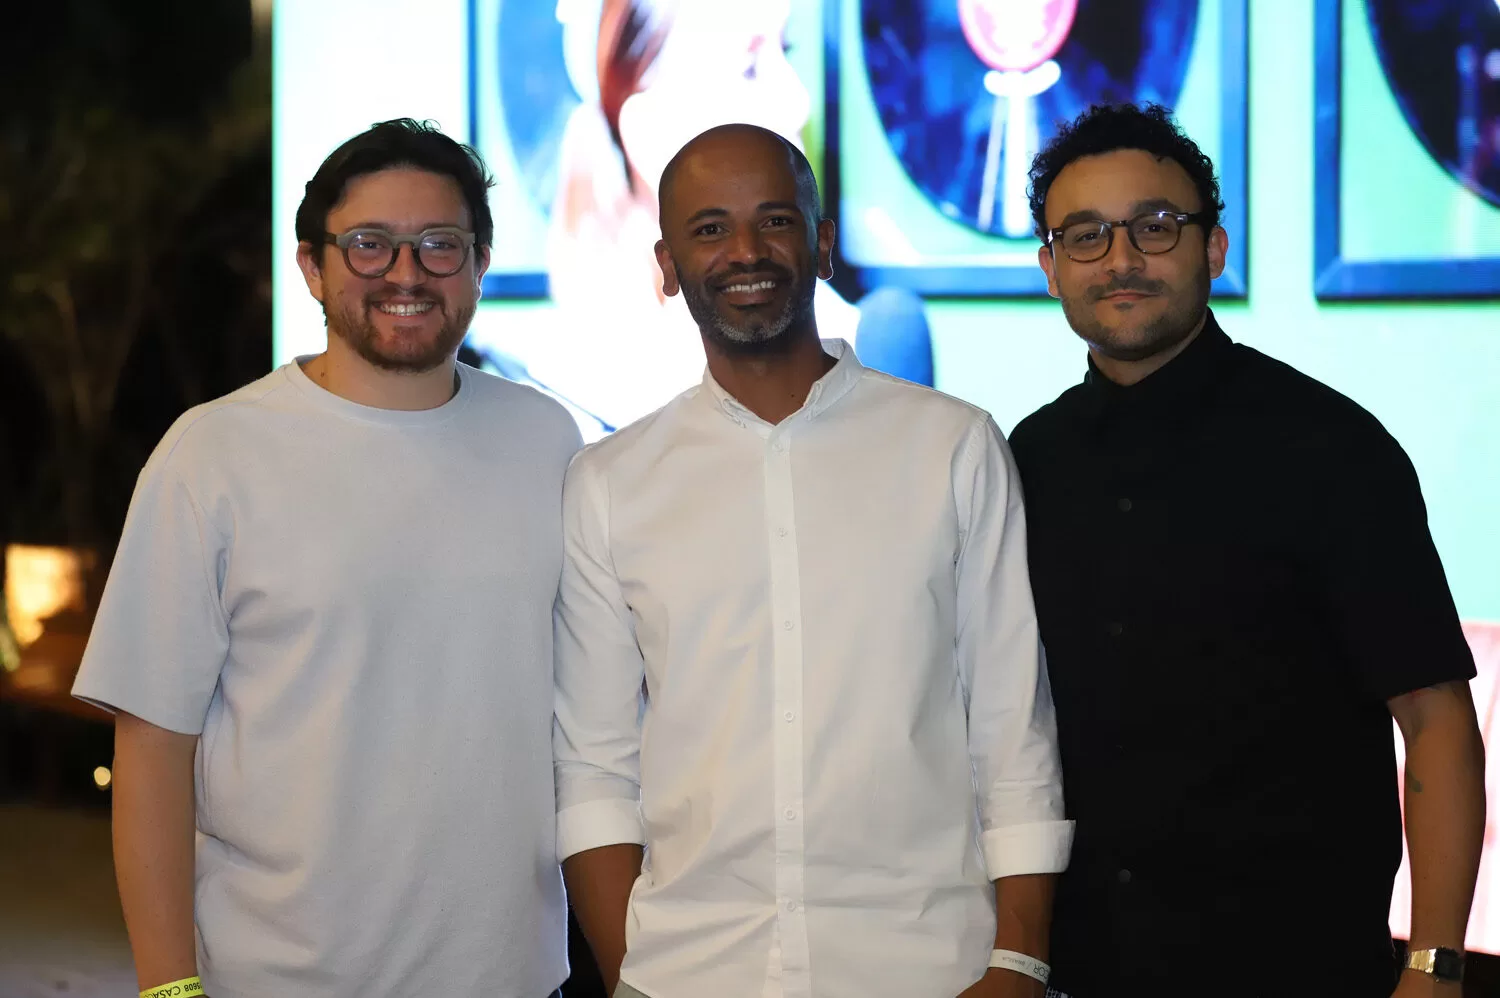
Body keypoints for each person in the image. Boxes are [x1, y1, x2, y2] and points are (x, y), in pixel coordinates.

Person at [553, 122, 1072, 998]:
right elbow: (595, 768)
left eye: (775, 220)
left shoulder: (952, 446)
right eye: (709, 229)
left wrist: (1017, 963)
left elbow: (1011, 728)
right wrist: (630, 976)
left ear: (823, 243)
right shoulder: (609, 482)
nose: (745, 251)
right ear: (667, 266)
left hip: (927, 970)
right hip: (691, 974)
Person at [72, 119, 582, 998]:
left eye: (440, 245)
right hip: (278, 977)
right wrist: (167, 988)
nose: (406, 274)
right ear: (312, 266)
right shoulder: (213, 454)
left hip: (511, 976)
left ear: (480, 264)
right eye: (370, 245)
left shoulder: (546, 439)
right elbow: (152, 749)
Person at [1009, 102, 1487, 997]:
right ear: (1051, 268)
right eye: (1086, 235)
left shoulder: (1332, 450)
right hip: (1083, 968)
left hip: (1294, 965)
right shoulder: (1027, 459)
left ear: (1214, 248)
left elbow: (1436, 721)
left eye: (1155, 226)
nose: (1120, 259)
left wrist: (1435, 965)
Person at [467, 0, 934, 441]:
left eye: (786, 51)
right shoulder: (555, 415)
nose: (798, 100)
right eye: (750, 67)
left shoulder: (868, 358)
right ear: (648, 133)